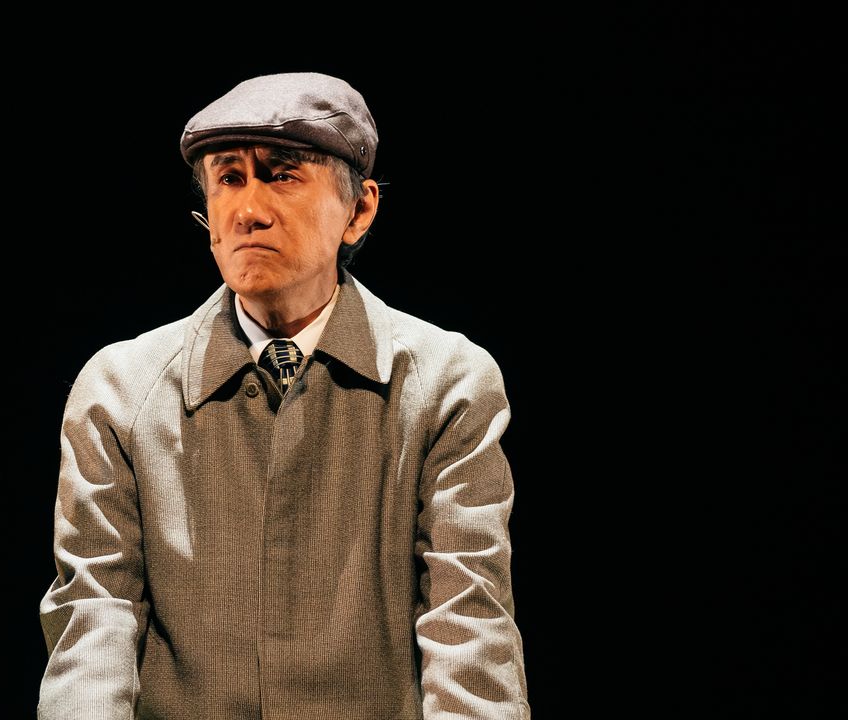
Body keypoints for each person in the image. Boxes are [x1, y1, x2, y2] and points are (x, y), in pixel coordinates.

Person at [38, 72, 530, 719]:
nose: (249, 209)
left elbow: (467, 626)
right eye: (229, 178)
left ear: (359, 210)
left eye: (282, 175)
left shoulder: (447, 387)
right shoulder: (119, 393)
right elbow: (95, 620)